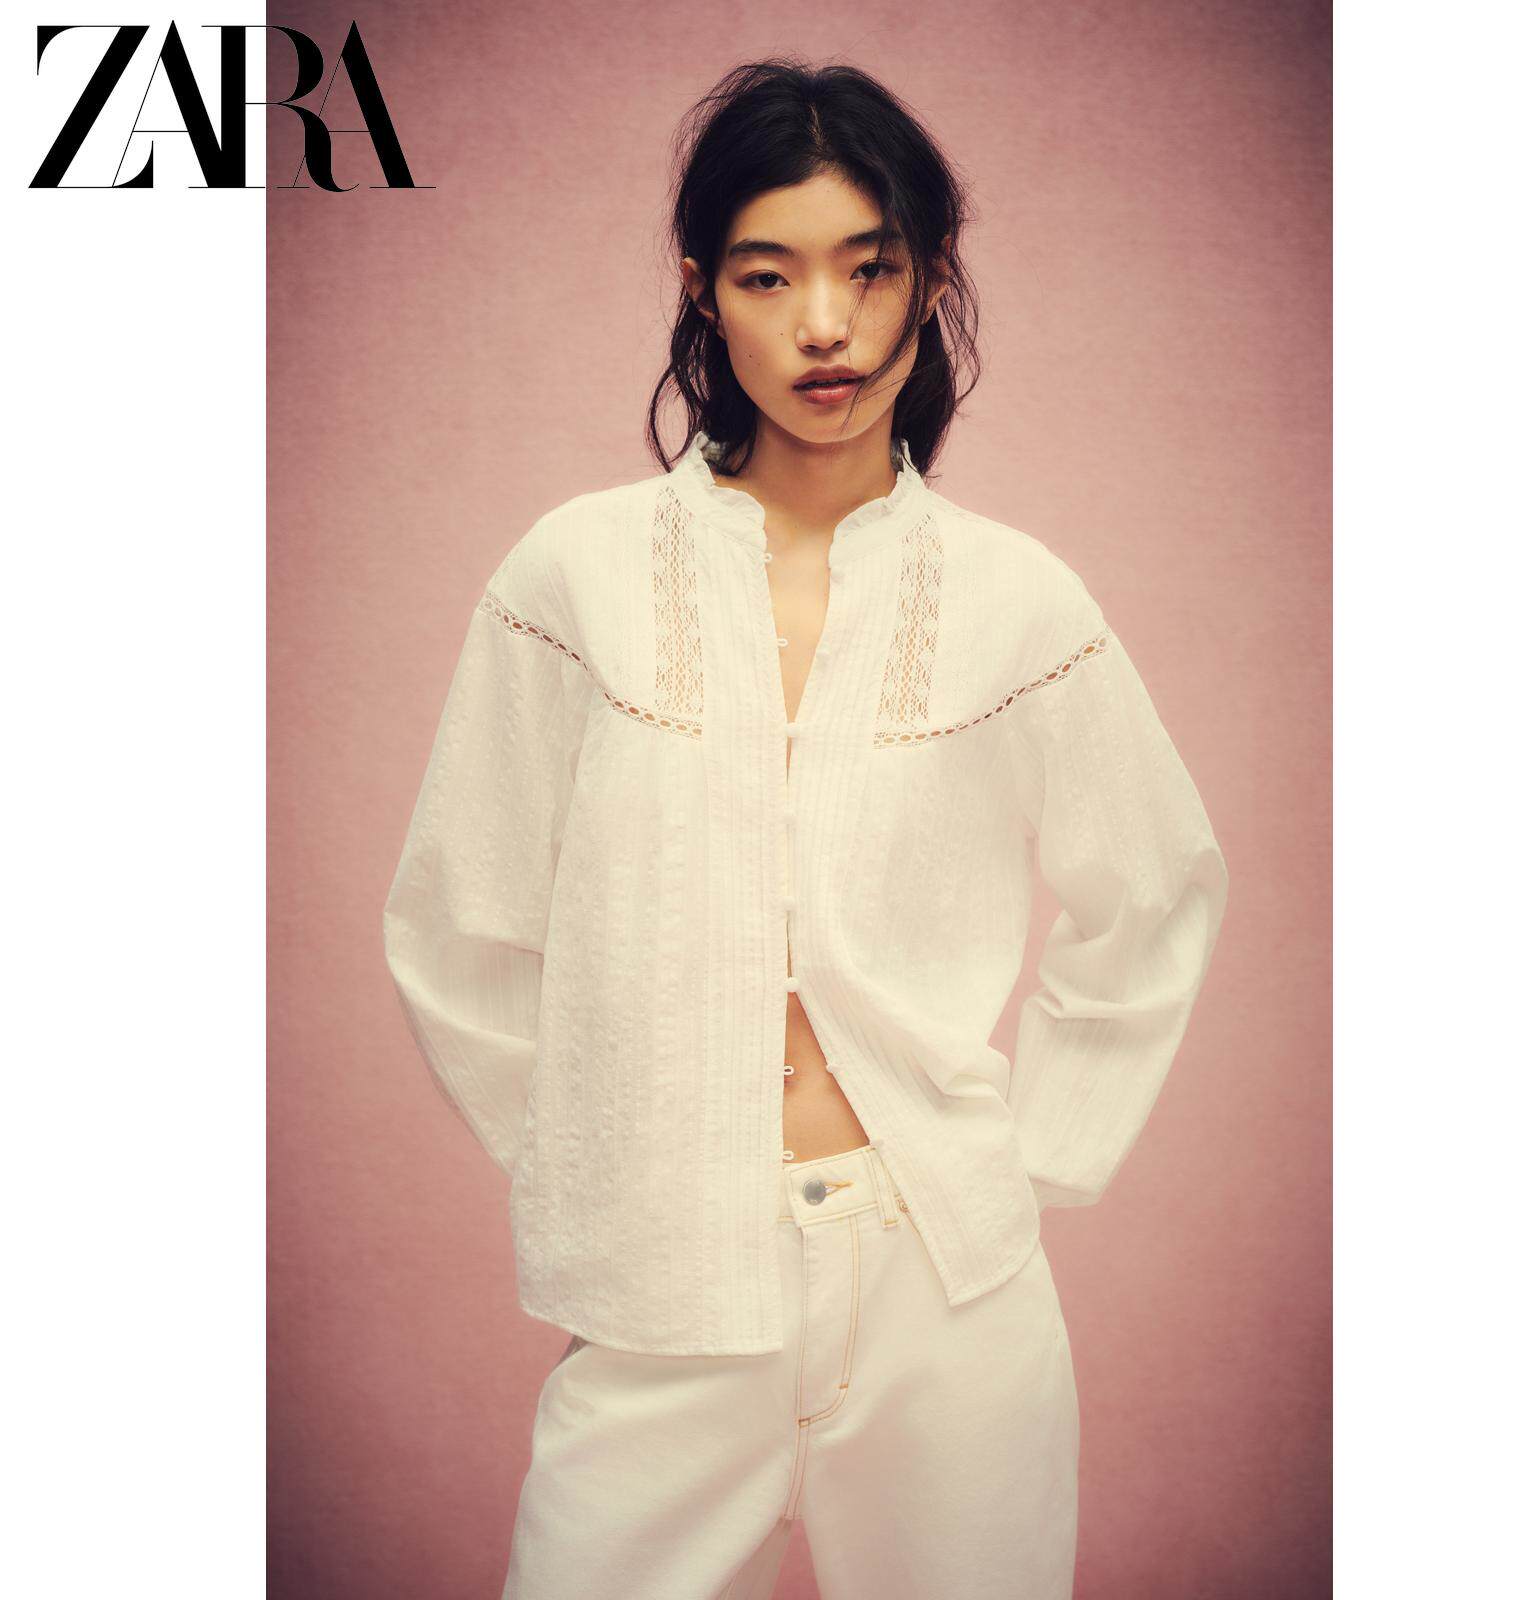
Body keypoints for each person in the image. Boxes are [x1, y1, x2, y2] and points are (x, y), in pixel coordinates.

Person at [382, 57, 1229, 1600]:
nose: (823, 325)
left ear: (931, 280)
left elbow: (1156, 889)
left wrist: (1025, 1163)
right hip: (664, 1294)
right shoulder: (573, 575)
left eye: (869, 268)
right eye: (768, 275)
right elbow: (458, 917)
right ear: (703, 292)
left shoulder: (1018, 599)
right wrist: (602, 1164)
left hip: (946, 1293)